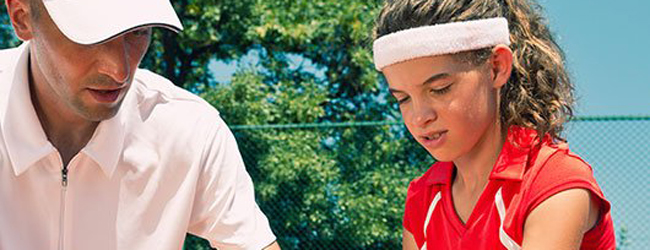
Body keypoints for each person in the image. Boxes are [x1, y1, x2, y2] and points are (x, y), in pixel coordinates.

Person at [0, 0, 280, 249]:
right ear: (22, 16)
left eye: (137, 32)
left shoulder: (189, 131)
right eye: (90, 35)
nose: (119, 70)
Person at [371, 0, 615, 249]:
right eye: (403, 99)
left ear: (497, 67)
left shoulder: (554, 181)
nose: (419, 117)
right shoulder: (423, 197)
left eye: (439, 89)